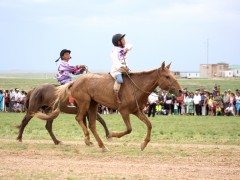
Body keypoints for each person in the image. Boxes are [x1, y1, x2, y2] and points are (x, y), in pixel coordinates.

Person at [110, 33, 133, 103]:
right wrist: (122, 67)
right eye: (123, 40)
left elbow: (131, 45)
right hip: (117, 70)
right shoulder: (114, 51)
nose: (125, 41)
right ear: (119, 42)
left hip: (125, 68)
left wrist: (126, 49)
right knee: (120, 80)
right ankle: (115, 95)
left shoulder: (123, 47)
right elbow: (115, 62)